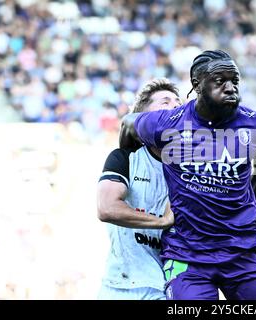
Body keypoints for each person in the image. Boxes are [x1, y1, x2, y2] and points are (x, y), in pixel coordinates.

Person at [120, 50, 256, 300]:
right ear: (197, 85)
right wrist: (126, 164)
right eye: (220, 81)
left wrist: (244, 221)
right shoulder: (167, 124)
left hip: (241, 253)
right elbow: (128, 124)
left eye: (235, 81)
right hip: (187, 255)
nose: (230, 88)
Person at [97, 78, 182, 300]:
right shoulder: (125, 158)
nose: (175, 106)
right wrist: (162, 221)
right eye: (165, 101)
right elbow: (106, 208)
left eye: (177, 102)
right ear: (143, 117)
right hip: (118, 287)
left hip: (164, 288)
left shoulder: (188, 168)